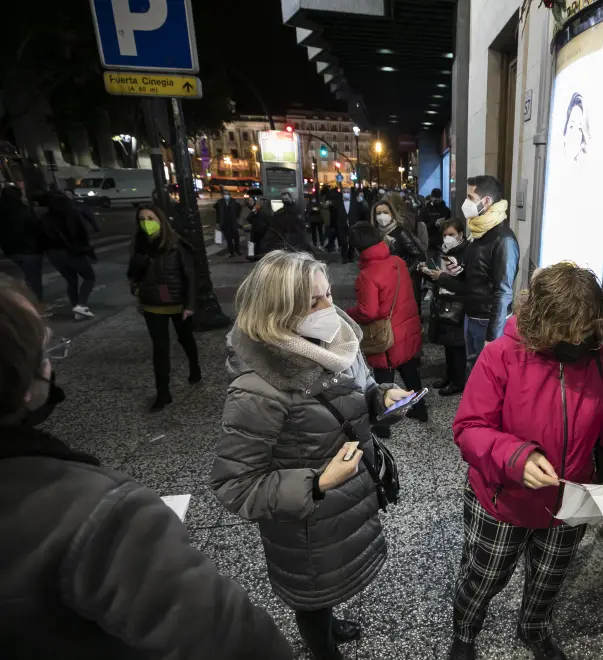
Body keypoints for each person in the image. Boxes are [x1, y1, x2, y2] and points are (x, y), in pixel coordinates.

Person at [0, 276, 293, 659]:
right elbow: (234, 640)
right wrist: (316, 483)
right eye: (43, 354)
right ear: (22, 385)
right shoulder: (98, 513)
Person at [448, 263, 603, 660]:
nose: (573, 341)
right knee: (483, 578)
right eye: (563, 333)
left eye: (582, 331)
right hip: (503, 500)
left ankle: (533, 629)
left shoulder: (599, 359)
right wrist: (517, 457)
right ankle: (465, 632)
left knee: (548, 580)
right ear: (539, 320)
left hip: (568, 502)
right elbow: (469, 428)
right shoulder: (500, 356)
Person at [212, 250, 411, 660]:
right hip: (305, 521)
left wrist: (382, 396)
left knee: (328, 586)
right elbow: (234, 485)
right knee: (313, 595)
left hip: (346, 500)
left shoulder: (337, 341)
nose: (329, 309)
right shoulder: (256, 388)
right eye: (314, 302)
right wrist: (317, 483)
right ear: (278, 313)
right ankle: (323, 651)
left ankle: (330, 626)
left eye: (328, 295)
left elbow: (361, 387)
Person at [424, 175, 519, 377]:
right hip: (471, 314)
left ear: (486, 202)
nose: (465, 203)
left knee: (486, 376)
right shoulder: (478, 233)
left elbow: (503, 293)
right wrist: (455, 272)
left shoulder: (504, 240)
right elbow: (473, 279)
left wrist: (493, 337)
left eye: (470, 197)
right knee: (473, 370)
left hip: (487, 321)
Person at [347, 222, 428, 430]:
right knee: (410, 369)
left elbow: (369, 311)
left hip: (386, 334)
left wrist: (348, 314)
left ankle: (382, 426)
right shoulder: (398, 262)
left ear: (357, 249)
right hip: (406, 327)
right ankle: (420, 411)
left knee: (383, 379)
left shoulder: (367, 275)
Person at [126, 205, 200, 412]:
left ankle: (194, 366)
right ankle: (163, 392)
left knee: (185, 338)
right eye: (141, 219)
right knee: (160, 349)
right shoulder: (139, 245)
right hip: (153, 304)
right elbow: (132, 275)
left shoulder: (177, 244)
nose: (146, 222)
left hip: (177, 304)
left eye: (150, 218)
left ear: (160, 220)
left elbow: (190, 277)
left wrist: (190, 305)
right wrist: (138, 292)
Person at [40, 192, 97, 321]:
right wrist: (89, 252)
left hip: (53, 254)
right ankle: (81, 305)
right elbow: (82, 235)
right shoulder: (72, 214)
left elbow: (41, 236)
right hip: (71, 251)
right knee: (89, 277)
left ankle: (77, 309)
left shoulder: (45, 217)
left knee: (71, 280)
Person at [427, 218, 468, 396]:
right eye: (444, 235)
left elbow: (463, 285)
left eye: (451, 234)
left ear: (460, 235)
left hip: (459, 305)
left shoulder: (465, 253)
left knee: (457, 347)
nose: (447, 238)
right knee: (448, 345)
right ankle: (449, 377)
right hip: (444, 302)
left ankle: (458, 382)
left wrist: (441, 277)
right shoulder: (446, 252)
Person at [374, 196, 427, 311]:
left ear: (392, 213)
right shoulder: (376, 234)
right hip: (385, 282)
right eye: (378, 213)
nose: (382, 216)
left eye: (385, 212)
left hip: (403, 282)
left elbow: (419, 255)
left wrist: (405, 272)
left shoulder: (400, 232)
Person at [0, 185, 44, 302]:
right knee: (33, 280)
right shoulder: (24, 211)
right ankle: (36, 303)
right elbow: (36, 228)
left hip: (10, 251)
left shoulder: (3, 212)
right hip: (30, 250)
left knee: (19, 280)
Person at [421, 187, 452, 258]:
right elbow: (422, 226)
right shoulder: (425, 210)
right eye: (435, 201)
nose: (437, 202)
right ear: (431, 198)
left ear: (441, 198)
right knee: (431, 264)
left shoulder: (446, 210)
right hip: (429, 242)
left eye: (439, 200)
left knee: (441, 264)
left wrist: (445, 224)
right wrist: (434, 223)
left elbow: (451, 224)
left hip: (443, 242)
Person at [214, 190, 242, 257]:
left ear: (229, 195)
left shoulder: (233, 201)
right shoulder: (220, 202)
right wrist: (217, 223)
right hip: (225, 223)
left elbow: (239, 208)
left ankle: (237, 250)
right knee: (228, 239)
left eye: (227, 194)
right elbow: (218, 213)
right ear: (223, 195)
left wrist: (237, 217)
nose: (226, 195)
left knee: (236, 238)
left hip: (233, 223)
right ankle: (231, 252)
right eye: (224, 194)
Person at [245, 196, 272, 261]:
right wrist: (253, 212)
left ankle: (259, 258)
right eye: (257, 201)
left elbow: (269, 222)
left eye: (259, 201)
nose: (257, 203)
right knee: (254, 245)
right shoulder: (257, 209)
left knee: (261, 246)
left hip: (263, 231)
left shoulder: (267, 211)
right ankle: (253, 257)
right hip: (255, 231)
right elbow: (249, 218)